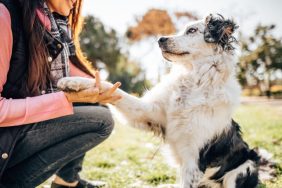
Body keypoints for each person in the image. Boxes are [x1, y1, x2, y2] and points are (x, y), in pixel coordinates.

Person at [0, 0, 122, 187]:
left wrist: (109, 94)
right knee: (101, 120)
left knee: (94, 105)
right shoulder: (4, 15)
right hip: (5, 136)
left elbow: (80, 77)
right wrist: (65, 99)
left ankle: (67, 181)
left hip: (14, 134)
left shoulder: (52, 26)